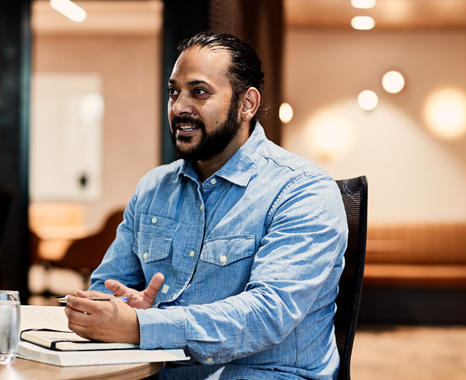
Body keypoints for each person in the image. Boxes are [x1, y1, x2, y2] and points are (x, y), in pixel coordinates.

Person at [64, 31, 348, 380]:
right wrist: (124, 309)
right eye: (174, 92)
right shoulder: (154, 188)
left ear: (247, 104)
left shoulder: (302, 191)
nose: (180, 107)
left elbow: (266, 316)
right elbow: (104, 290)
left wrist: (143, 325)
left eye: (199, 92)